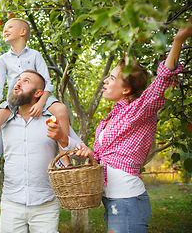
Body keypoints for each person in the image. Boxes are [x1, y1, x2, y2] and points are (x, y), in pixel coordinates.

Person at [74, 16, 192, 233]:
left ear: (126, 89)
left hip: (127, 200)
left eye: (111, 78)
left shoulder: (139, 110)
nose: (105, 81)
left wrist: (177, 42)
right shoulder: (110, 117)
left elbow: (162, 82)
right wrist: (88, 152)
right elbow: (107, 157)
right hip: (112, 200)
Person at [0, 70, 84, 232]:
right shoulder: (4, 120)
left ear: (38, 93)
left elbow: (81, 155)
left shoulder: (52, 120)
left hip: (45, 205)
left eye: (26, 81)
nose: (18, 83)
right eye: (18, 80)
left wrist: (63, 139)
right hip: (11, 203)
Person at [0, 18, 71, 187]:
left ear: (22, 32)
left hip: (39, 96)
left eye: (9, 27)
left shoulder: (35, 55)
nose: (5, 30)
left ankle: (63, 159)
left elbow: (47, 83)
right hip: (15, 99)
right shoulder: (3, 60)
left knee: (61, 110)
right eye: (4, 28)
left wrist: (40, 103)